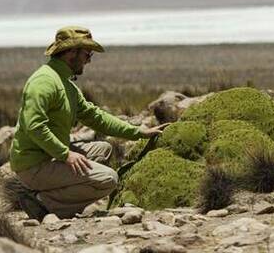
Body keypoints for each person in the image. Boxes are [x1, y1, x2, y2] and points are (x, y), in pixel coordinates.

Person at [10, 26, 167, 220]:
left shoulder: (66, 85)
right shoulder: (44, 82)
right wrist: (65, 154)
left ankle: (56, 194)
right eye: (87, 54)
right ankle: (43, 202)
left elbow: (95, 117)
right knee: (109, 179)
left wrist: (138, 132)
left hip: (50, 155)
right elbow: (34, 126)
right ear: (71, 53)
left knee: (103, 149)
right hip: (33, 165)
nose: (89, 60)